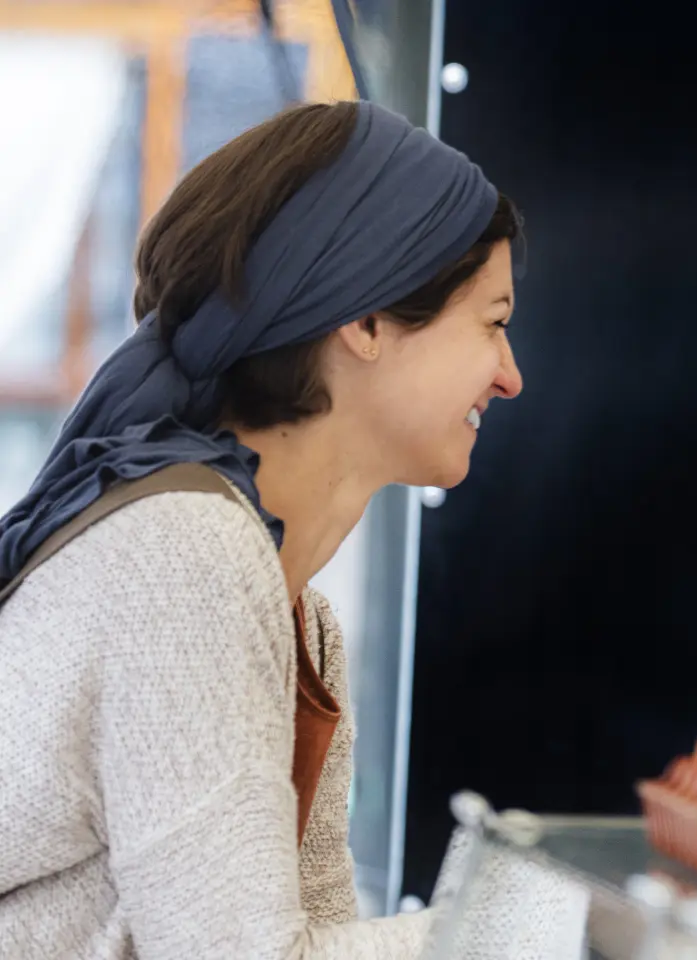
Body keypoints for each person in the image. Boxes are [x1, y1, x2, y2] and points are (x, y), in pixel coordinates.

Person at [0, 101, 523, 957]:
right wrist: (568, 923)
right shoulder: (183, 557)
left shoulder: (296, 614)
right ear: (365, 321)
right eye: (493, 323)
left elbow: (316, 935)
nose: (510, 377)